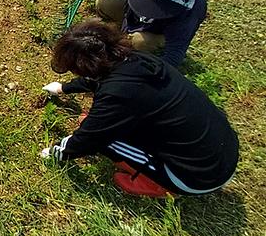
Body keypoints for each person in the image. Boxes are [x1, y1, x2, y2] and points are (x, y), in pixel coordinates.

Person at [40, 21, 238, 198]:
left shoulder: (117, 94)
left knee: (103, 139)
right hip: (221, 151)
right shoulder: (137, 60)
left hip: (196, 177)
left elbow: (88, 139)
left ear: (86, 67)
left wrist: (55, 152)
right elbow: (99, 76)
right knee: (100, 123)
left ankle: (158, 184)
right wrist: (64, 88)